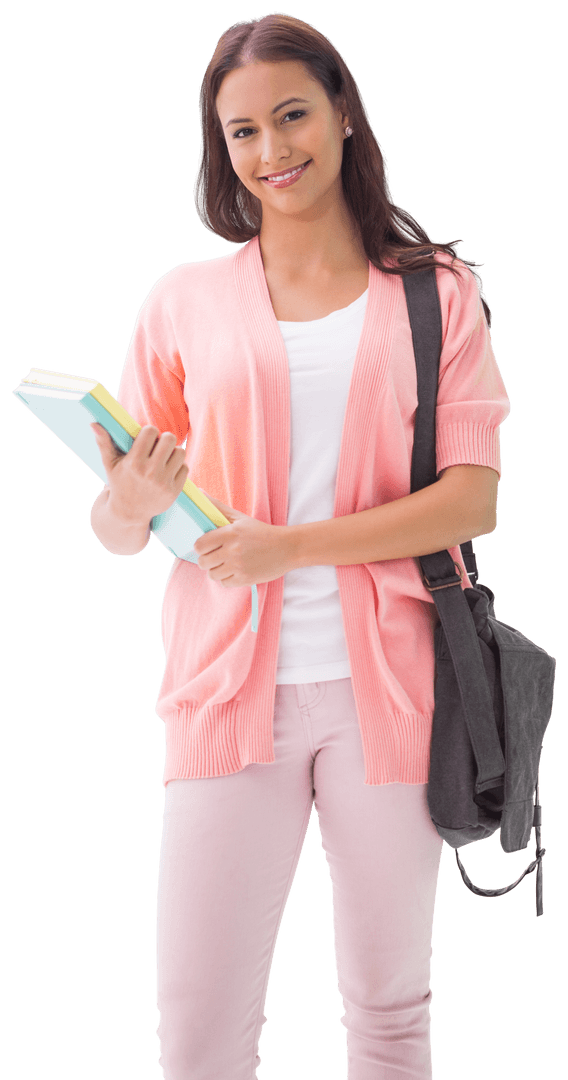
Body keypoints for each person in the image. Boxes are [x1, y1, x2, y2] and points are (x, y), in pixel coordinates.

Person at [89, 12, 511, 1079]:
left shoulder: (437, 294)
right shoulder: (181, 303)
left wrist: (293, 549)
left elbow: (471, 501)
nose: (271, 151)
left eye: (291, 116)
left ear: (344, 117)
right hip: (227, 696)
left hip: (395, 697)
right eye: (242, 132)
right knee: (198, 1034)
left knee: (387, 1015)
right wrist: (132, 502)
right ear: (219, 149)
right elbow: (114, 529)